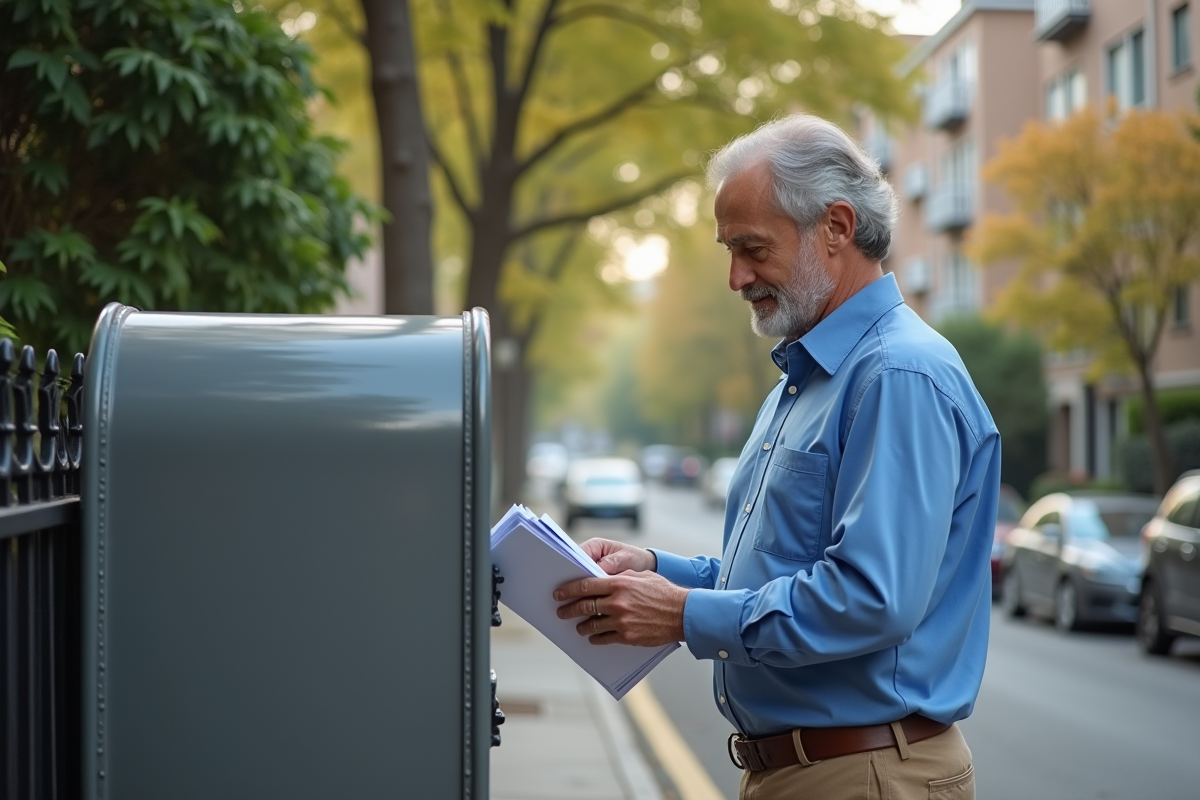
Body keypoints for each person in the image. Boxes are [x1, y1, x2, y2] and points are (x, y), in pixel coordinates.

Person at [554, 114, 1000, 800]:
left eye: (752, 248)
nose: (736, 276)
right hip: (822, 772)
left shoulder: (897, 377)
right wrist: (655, 571)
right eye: (728, 249)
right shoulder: (811, 379)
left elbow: (870, 598)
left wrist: (681, 615)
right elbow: (777, 571)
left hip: (864, 775)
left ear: (837, 227)